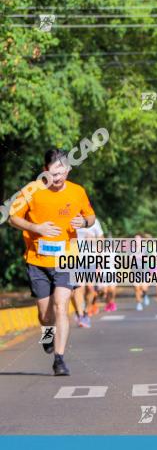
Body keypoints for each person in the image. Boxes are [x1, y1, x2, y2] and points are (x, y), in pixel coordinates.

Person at [9, 148, 98, 376]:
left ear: (68, 169)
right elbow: (13, 218)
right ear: (44, 171)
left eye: (63, 173)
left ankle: (59, 359)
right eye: (54, 174)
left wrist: (84, 222)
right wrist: (36, 228)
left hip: (67, 258)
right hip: (37, 260)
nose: (59, 179)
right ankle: (47, 336)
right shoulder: (32, 191)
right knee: (45, 315)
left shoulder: (77, 191)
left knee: (61, 306)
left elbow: (91, 216)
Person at [72, 217, 104, 327]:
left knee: (90, 288)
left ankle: (86, 310)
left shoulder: (94, 221)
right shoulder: (71, 218)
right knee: (79, 287)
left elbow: (101, 240)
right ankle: (81, 315)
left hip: (92, 259)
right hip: (76, 258)